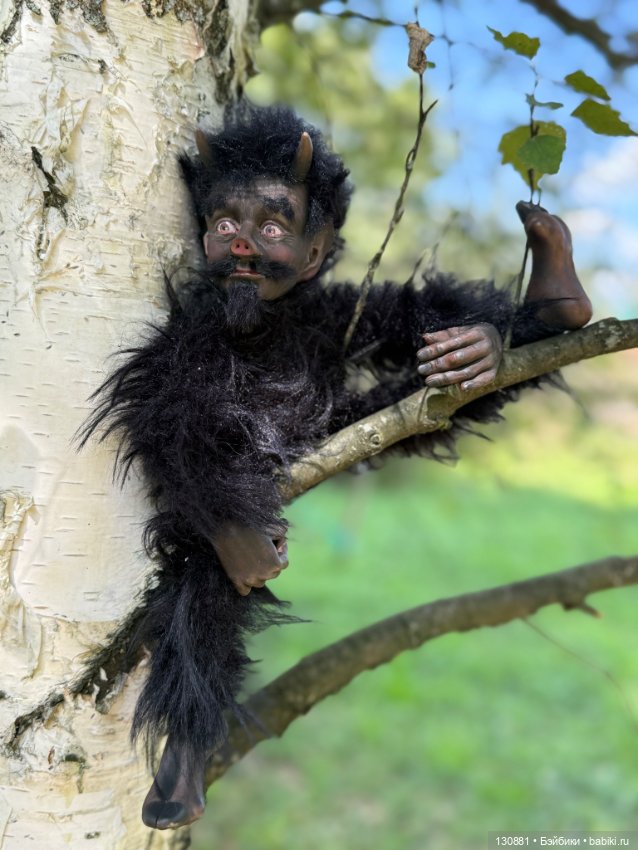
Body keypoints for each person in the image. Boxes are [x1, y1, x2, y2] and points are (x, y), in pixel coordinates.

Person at [82, 102, 591, 830]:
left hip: (323, 430)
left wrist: (483, 338)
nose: (243, 243)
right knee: (202, 576)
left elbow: (412, 323)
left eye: (273, 226)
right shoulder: (199, 331)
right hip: (230, 480)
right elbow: (163, 419)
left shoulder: (334, 315)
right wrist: (224, 520)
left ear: (316, 251)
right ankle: (187, 744)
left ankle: (537, 319)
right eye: (224, 224)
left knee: (442, 372)